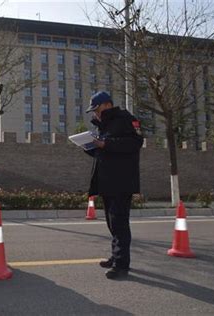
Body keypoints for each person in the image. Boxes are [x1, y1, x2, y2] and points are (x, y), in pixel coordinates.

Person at [84, 91, 143, 279]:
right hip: (107, 182)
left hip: (121, 181)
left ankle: (122, 264)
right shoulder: (104, 125)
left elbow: (134, 143)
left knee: (119, 223)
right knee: (111, 223)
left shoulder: (126, 119)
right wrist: (90, 147)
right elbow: (105, 152)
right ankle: (116, 257)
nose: (95, 114)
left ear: (107, 105)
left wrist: (105, 144)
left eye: (96, 109)